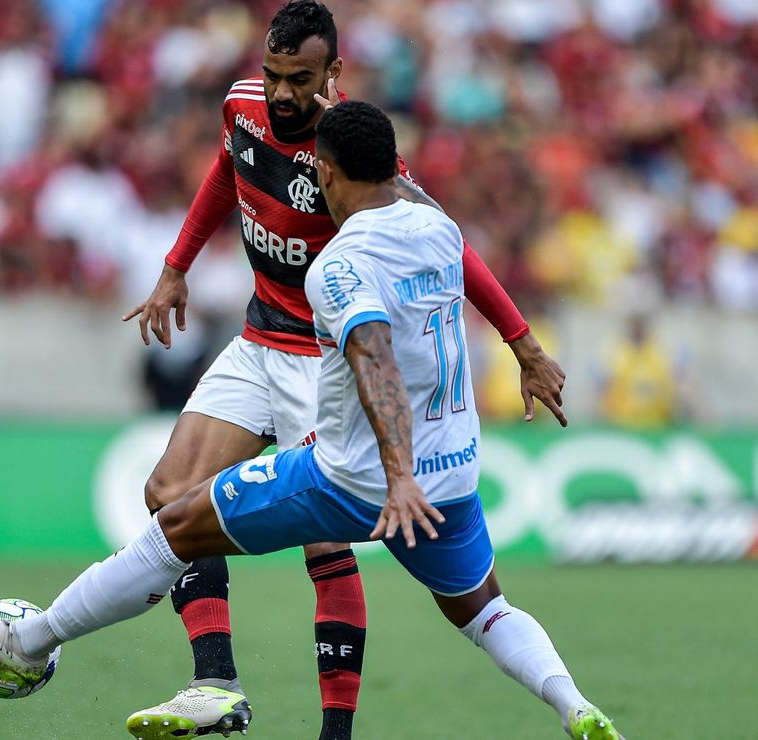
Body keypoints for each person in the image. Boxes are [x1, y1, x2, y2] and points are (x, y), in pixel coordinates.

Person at [0, 100, 624, 740]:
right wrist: (524, 349)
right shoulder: (439, 226)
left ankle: (32, 644)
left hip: (352, 478)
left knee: (174, 528)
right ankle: (575, 705)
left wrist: (396, 474)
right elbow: (408, 204)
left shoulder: (337, 266)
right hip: (452, 480)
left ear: (322, 169)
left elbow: (372, 354)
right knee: (484, 610)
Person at [115, 2, 566, 738]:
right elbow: (223, 176)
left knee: (322, 541)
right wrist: (174, 269)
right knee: (167, 492)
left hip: (318, 359)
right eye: (272, 76)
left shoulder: (354, 150)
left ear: (334, 73)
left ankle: (336, 733)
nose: (282, 94)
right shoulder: (241, 110)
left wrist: (523, 342)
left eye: (299, 79)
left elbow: (447, 244)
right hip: (258, 337)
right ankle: (215, 684)